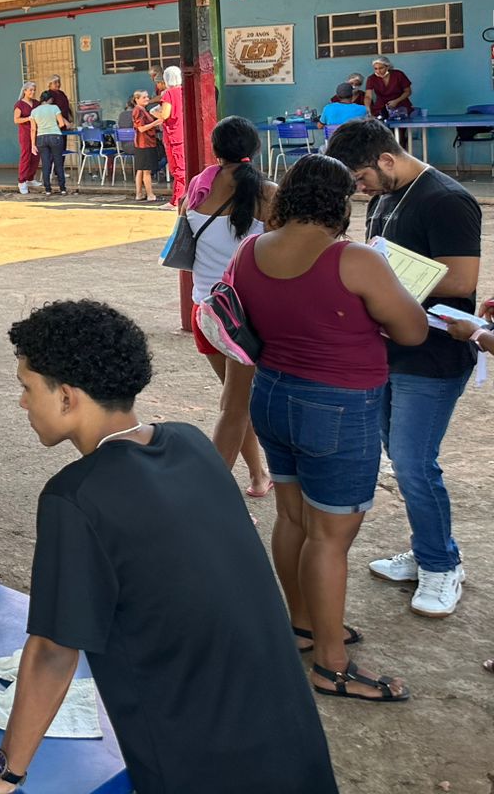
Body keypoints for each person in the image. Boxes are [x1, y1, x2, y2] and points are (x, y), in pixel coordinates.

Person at [0, 300, 341, 794]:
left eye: (28, 388)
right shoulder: (191, 443)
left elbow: (53, 650)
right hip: (286, 730)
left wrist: (5, 769)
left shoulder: (76, 496)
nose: (22, 403)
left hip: (199, 754)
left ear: (67, 397)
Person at [231, 154, 426, 700]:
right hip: (338, 406)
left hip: (272, 395)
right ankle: (333, 665)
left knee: (293, 518)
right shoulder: (353, 259)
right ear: (340, 202)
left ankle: (303, 625)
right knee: (331, 537)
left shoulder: (252, 251)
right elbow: (411, 331)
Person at [327, 116, 479, 617]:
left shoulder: (447, 200)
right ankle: (426, 549)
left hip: (433, 357)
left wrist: (383, 283)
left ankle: (442, 566)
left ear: (386, 160)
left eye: (362, 178)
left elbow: (460, 280)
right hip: (390, 352)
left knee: (416, 464)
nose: (360, 189)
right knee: (404, 461)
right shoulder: (385, 198)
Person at [182, 117, 277, 498]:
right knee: (235, 407)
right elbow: (279, 253)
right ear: (254, 150)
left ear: (216, 151)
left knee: (238, 401)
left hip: (205, 310)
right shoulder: (268, 194)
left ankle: (258, 476)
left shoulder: (198, 186)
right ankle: (210, 496)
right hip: (243, 317)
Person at [27, 91, 70, 196]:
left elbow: (33, 129)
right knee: (58, 162)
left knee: (46, 164)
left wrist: (33, 144)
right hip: (55, 136)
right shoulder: (54, 108)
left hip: (41, 138)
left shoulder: (34, 111)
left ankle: (47, 189)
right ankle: (62, 188)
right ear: (50, 99)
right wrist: (54, 128)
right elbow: (61, 123)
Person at [158, 65, 186, 205]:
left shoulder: (169, 94)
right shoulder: (185, 91)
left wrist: (155, 112)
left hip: (174, 135)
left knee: (178, 169)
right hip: (184, 133)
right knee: (182, 167)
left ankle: (177, 200)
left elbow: (165, 114)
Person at [129, 89, 160, 202]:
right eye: (144, 97)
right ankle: (150, 194)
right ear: (137, 99)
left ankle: (139, 194)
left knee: (141, 170)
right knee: (146, 170)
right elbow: (141, 128)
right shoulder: (138, 111)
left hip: (142, 143)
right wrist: (156, 122)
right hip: (144, 143)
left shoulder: (142, 110)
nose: (147, 99)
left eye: (147, 97)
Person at [11, 80, 38, 195]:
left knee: (36, 156)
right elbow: (16, 120)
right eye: (31, 90)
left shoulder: (36, 103)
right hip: (25, 133)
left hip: (36, 132)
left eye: (34, 90)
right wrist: (28, 118)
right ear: (25, 91)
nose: (33, 92)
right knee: (26, 155)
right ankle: (22, 181)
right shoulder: (19, 104)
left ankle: (30, 178)